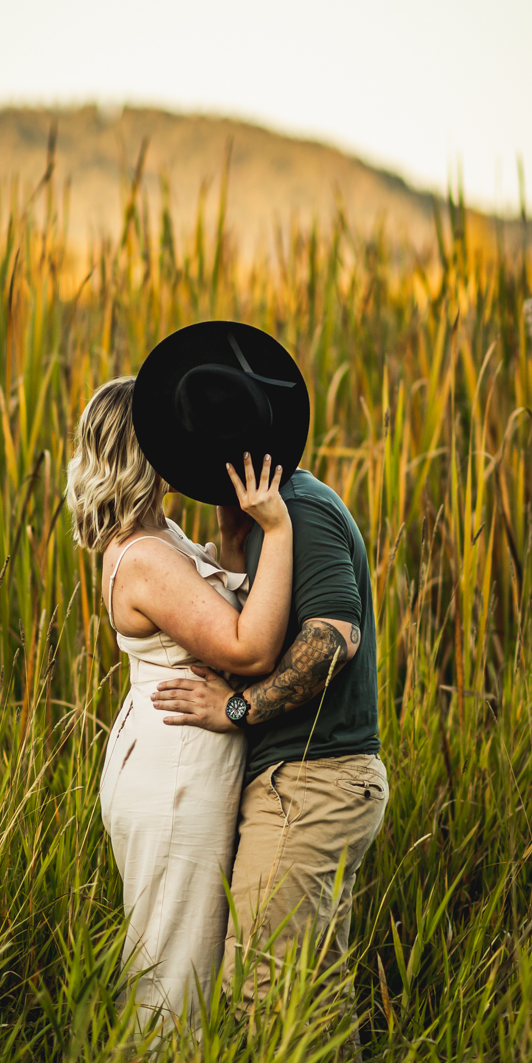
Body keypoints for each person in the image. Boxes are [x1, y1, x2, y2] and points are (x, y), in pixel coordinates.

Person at [136, 322, 388, 1010]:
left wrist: (236, 709)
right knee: (307, 995)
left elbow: (333, 640)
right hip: (302, 781)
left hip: (311, 781)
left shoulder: (301, 510)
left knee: (265, 991)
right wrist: (233, 540)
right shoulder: (259, 520)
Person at [64, 374, 292, 1030]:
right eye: (171, 427)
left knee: (180, 957)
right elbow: (249, 651)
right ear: (144, 449)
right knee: (173, 976)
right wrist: (276, 531)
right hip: (175, 776)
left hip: (178, 759)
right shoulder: (142, 556)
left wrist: (230, 540)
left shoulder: (159, 534)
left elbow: (219, 621)